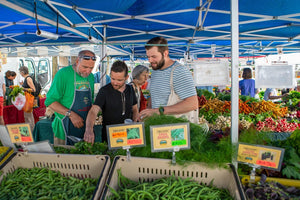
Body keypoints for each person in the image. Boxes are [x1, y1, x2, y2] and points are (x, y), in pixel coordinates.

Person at [139, 36, 198, 123]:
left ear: (165, 53)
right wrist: (147, 112)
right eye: (148, 57)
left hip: (176, 130)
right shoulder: (155, 71)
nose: (150, 60)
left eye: (154, 56)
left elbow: (192, 103)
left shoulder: (179, 71)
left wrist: (159, 111)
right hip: (159, 128)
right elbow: (155, 97)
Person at [45, 50, 96, 145]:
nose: (88, 71)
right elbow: (50, 101)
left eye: (91, 68)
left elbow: (90, 101)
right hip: (64, 127)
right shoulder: (63, 74)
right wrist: (71, 114)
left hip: (84, 128)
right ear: (77, 62)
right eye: (85, 67)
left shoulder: (91, 77)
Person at [84, 60, 138, 144]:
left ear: (127, 77)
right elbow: (93, 111)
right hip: (110, 137)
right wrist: (89, 130)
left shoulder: (130, 89)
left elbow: (134, 109)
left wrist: (135, 122)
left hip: (129, 135)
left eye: (119, 80)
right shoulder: (104, 91)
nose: (115, 83)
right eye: (113, 79)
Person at [19, 66, 36, 131]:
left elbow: (33, 89)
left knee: (29, 116)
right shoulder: (27, 78)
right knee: (28, 116)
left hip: (28, 99)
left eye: (20, 72)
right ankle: (30, 130)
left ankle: (31, 130)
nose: (20, 74)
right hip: (26, 99)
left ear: (23, 72)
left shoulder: (28, 78)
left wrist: (23, 88)